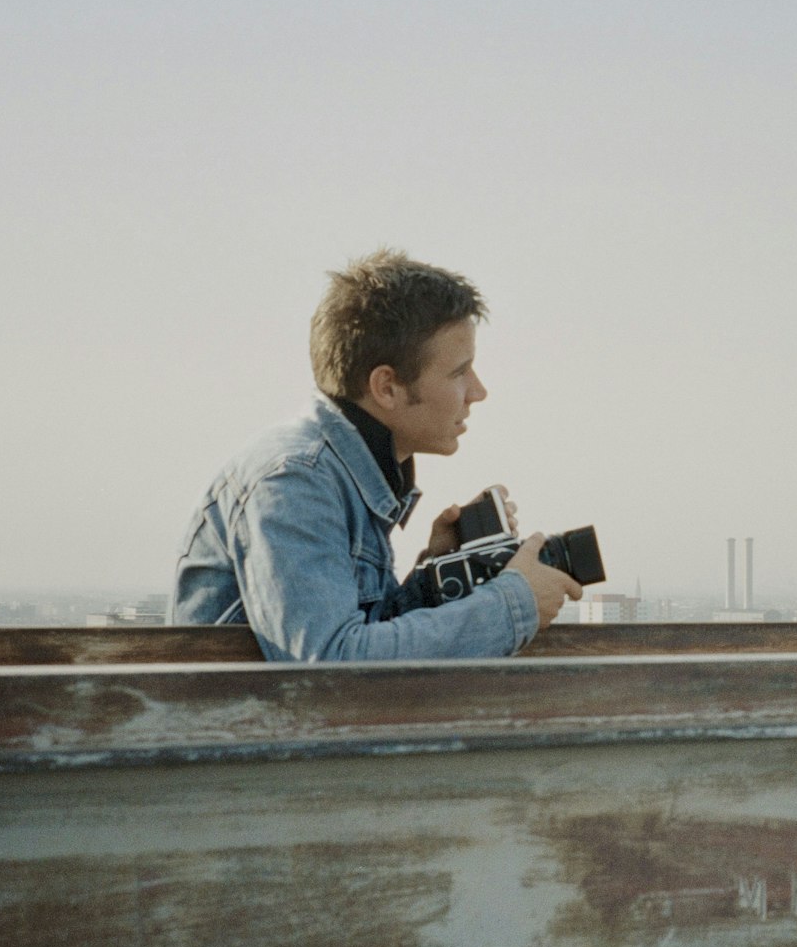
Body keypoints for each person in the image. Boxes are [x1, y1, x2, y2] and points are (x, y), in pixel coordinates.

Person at [170, 249, 580, 660]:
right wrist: (514, 606)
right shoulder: (294, 482)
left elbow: (357, 643)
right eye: (459, 372)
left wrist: (433, 579)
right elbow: (332, 666)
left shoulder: (341, 473)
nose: (478, 392)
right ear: (387, 387)